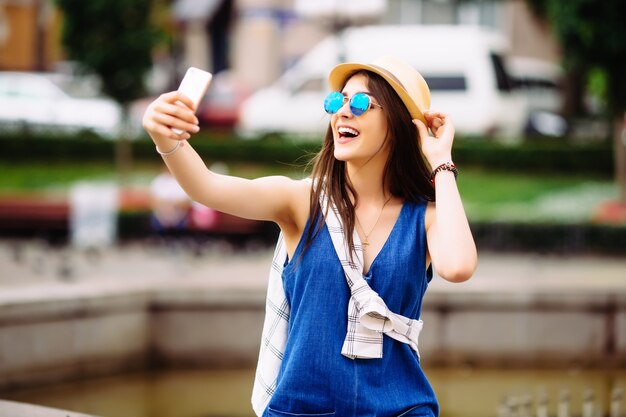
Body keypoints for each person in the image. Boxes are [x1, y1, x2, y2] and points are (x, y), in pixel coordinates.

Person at [143, 55, 477, 417]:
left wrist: (441, 162)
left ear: (399, 124)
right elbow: (207, 187)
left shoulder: (423, 217)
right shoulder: (301, 202)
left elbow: (458, 267)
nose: (344, 112)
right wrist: (165, 138)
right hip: (300, 410)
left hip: (400, 409)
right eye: (338, 101)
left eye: (362, 103)